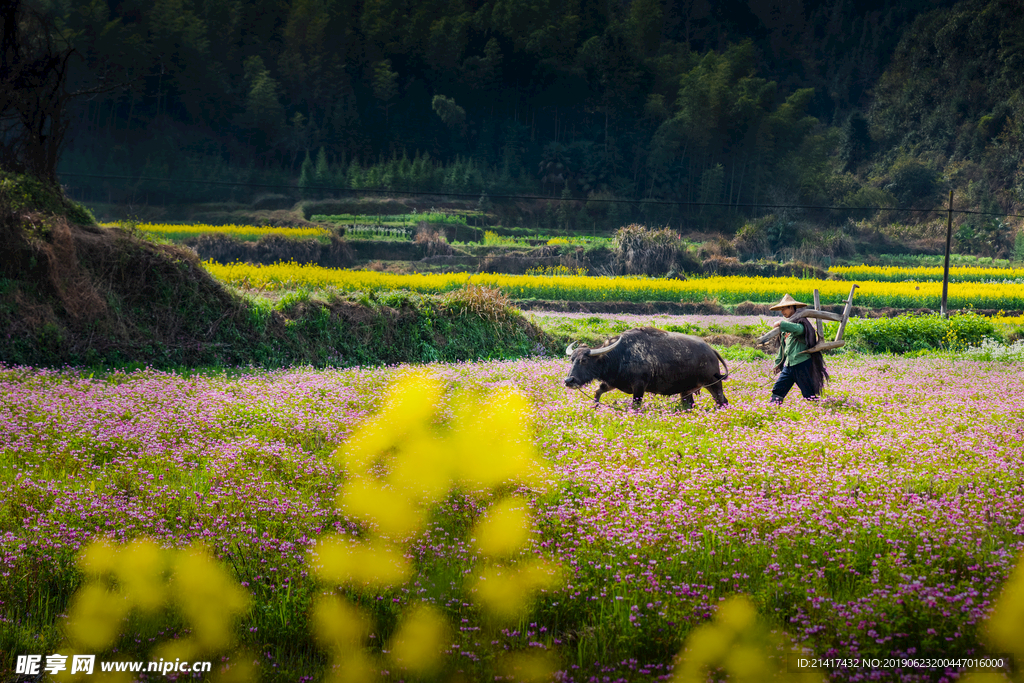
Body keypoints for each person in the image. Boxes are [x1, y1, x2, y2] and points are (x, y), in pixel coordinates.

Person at [768, 294, 829, 404]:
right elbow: (783, 348)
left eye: (784, 309)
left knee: (808, 393)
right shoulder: (787, 326)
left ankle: (816, 412)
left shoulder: (801, 323)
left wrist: (781, 323)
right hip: (789, 365)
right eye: (781, 309)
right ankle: (772, 412)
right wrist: (778, 364)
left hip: (802, 364)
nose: (782, 312)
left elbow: (798, 329)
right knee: (778, 389)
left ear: (791, 307)